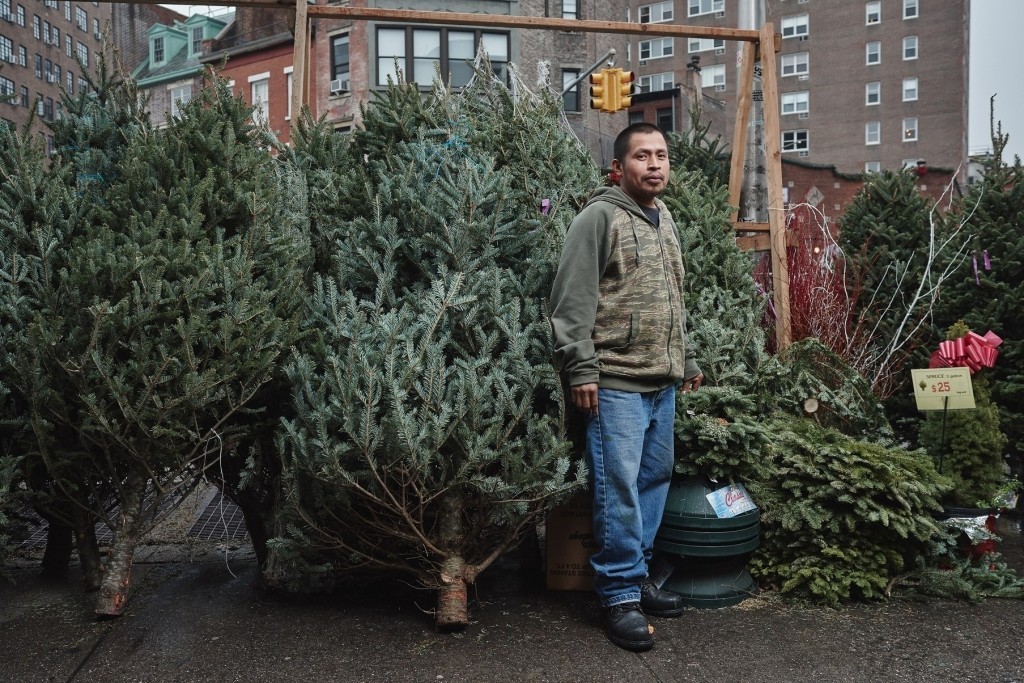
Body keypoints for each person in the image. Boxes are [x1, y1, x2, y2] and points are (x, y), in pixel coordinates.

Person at [550, 122, 703, 652]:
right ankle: (617, 597)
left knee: (654, 479)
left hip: (662, 382)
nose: (655, 164)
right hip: (614, 383)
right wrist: (582, 370)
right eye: (643, 156)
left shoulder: (666, 220)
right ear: (619, 168)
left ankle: (636, 579)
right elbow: (571, 300)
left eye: (662, 155)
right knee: (618, 488)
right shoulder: (599, 217)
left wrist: (687, 359)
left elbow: (675, 296)